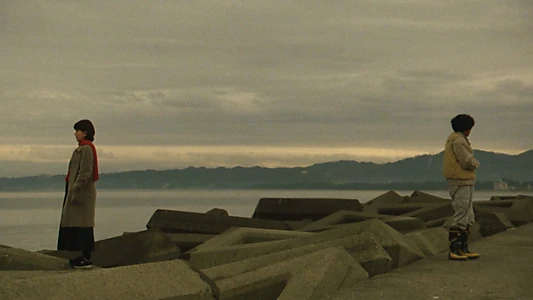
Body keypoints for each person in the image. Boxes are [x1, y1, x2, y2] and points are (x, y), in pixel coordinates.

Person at [57, 119, 99, 269]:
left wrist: (75, 189)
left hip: (81, 194)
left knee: (83, 226)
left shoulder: (87, 149)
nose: (75, 134)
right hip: (77, 191)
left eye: (78, 131)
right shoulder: (82, 148)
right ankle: (82, 256)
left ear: (85, 132)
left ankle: (86, 258)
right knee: (80, 225)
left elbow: (85, 172)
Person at [443, 114, 480, 261]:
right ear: (467, 128)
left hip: (462, 181)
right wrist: (476, 163)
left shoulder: (454, 139)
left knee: (467, 215)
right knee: (462, 214)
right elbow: (467, 161)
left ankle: (463, 248)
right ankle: (455, 249)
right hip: (460, 181)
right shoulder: (459, 141)